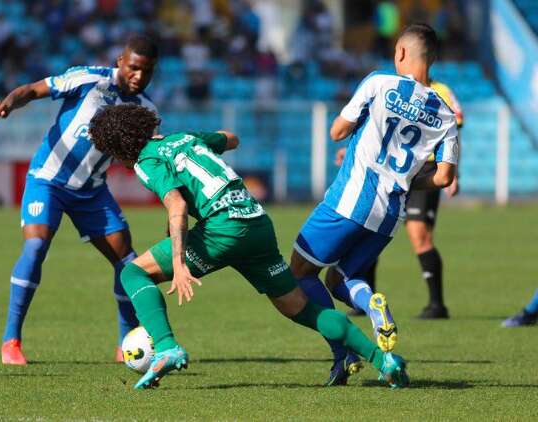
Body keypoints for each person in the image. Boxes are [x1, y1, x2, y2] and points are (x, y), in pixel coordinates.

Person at [88, 103, 410, 390]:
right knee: (302, 310)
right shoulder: (184, 139)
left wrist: (180, 263)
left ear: (119, 147)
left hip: (222, 229)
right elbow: (231, 138)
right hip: (257, 223)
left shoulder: (147, 160)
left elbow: (177, 206)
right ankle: (385, 362)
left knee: (132, 273)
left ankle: (166, 345)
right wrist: (209, 142)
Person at [0, 35, 159, 365]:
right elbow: (33, 90)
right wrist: (8, 102)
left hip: (92, 192)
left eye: (146, 72)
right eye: (134, 68)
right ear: (120, 61)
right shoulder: (88, 79)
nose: (139, 76)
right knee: (35, 248)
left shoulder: (145, 111)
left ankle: (126, 343)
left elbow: (144, 156)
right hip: (48, 180)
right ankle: (11, 342)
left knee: (129, 263)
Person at [290, 23, 459, 352]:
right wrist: (409, 179)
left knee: (299, 272)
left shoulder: (379, 82)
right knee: (339, 280)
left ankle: (343, 351)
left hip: (349, 200)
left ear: (400, 52)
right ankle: (372, 305)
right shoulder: (446, 115)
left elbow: (337, 132)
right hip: (390, 215)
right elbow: (443, 178)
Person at [335, 79, 464, 320]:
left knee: (419, 234)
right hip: (390, 170)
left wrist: (452, 172)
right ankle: (365, 298)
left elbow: (455, 132)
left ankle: (437, 304)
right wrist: (353, 151)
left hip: (426, 171)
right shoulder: (394, 88)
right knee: (369, 227)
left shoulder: (441, 91)